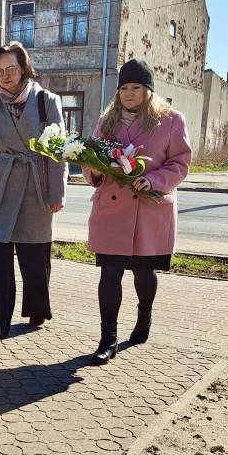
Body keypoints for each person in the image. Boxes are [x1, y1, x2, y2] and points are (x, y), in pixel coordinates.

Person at [84, 59, 191, 365]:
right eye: (123, 89)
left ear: (148, 91)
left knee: (144, 274)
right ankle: (108, 339)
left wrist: (153, 179)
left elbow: (181, 161)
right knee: (110, 275)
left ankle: (144, 317)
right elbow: (90, 159)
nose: (129, 94)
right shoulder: (106, 121)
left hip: (149, 209)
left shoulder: (171, 120)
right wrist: (98, 173)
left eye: (136, 88)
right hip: (111, 211)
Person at [0, 41, 68, 342]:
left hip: (37, 185)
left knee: (35, 259)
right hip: (0, 187)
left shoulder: (46, 101)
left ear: (24, 68)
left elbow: (58, 151)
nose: (5, 76)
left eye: (11, 69)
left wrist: (57, 194)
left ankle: (37, 307)